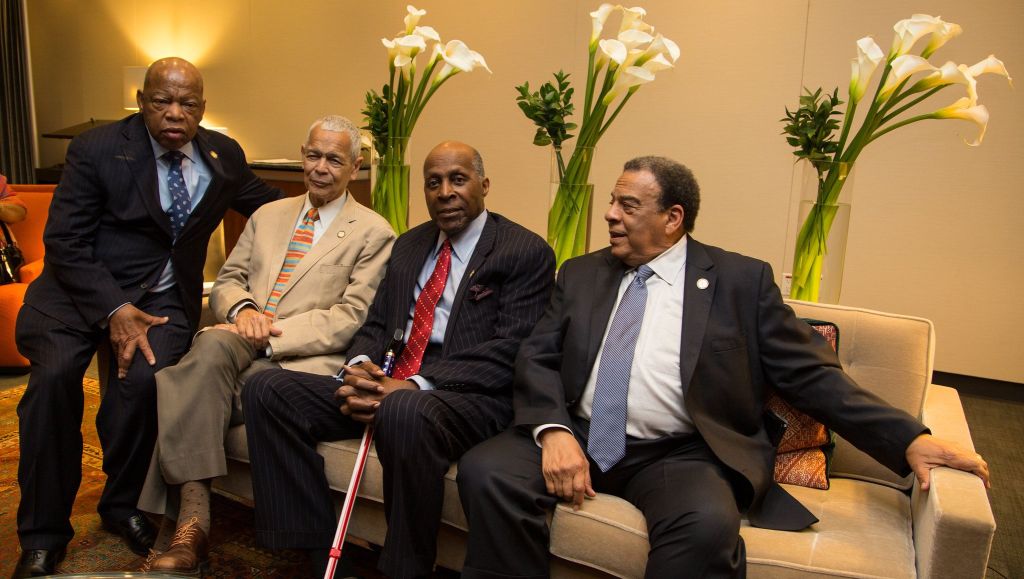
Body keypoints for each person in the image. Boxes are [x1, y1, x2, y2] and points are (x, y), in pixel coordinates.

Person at [456, 156, 991, 579]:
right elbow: (538, 356)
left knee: (707, 525)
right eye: (613, 202)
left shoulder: (740, 281)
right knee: (489, 471)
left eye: (628, 204)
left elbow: (811, 375)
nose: (610, 214)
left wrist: (907, 440)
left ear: (672, 218)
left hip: (679, 453)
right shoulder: (581, 273)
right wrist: (552, 431)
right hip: (578, 431)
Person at [12, 57, 282, 578]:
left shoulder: (222, 154)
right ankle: (43, 534)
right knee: (52, 386)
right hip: (75, 298)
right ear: (142, 101)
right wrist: (114, 310)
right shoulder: (96, 150)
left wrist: (339, 214)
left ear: (203, 108)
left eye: (189, 103)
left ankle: (122, 505)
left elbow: (268, 206)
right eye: (163, 101)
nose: (175, 113)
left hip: (160, 306)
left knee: (143, 391)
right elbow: (64, 242)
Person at [242, 141, 556, 578]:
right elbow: (376, 324)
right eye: (433, 183)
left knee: (403, 408)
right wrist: (358, 369)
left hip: (467, 399)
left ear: (484, 185)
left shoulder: (523, 251)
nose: (445, 191)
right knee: (266, 388)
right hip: (389, 384)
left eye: (458, 179)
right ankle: (318, 551)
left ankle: (404, 569)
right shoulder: (409, 245)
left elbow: (510, 350)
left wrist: (412, 385)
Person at [135, 115, 396, 574]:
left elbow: (350, 317)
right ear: (302, 155)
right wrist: (243, 313)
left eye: (334, 160)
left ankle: (186, 528)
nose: (320, 168)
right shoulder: (267, 215)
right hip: (239, 335)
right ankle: (194, 520)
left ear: (354, 167)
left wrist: (268, 332)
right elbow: (228, 281)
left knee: (183, 381)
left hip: (300, 356)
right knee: (212, 349)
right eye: (313, 155)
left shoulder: (374, 232)